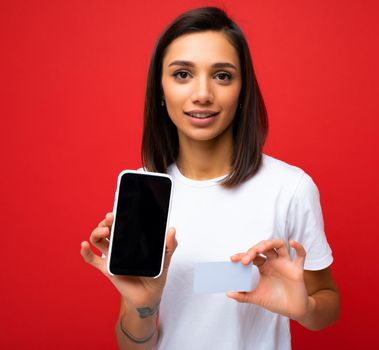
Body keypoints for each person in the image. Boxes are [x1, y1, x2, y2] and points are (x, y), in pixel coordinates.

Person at [80, 6, 340, 349]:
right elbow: (134, 345)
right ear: (160, 88)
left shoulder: (289, 188)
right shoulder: (145, 192)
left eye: (222, 75)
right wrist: (142, 307)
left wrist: (304, 308)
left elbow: (327, 301)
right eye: (182, 74)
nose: (202, 93)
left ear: (242, 89)